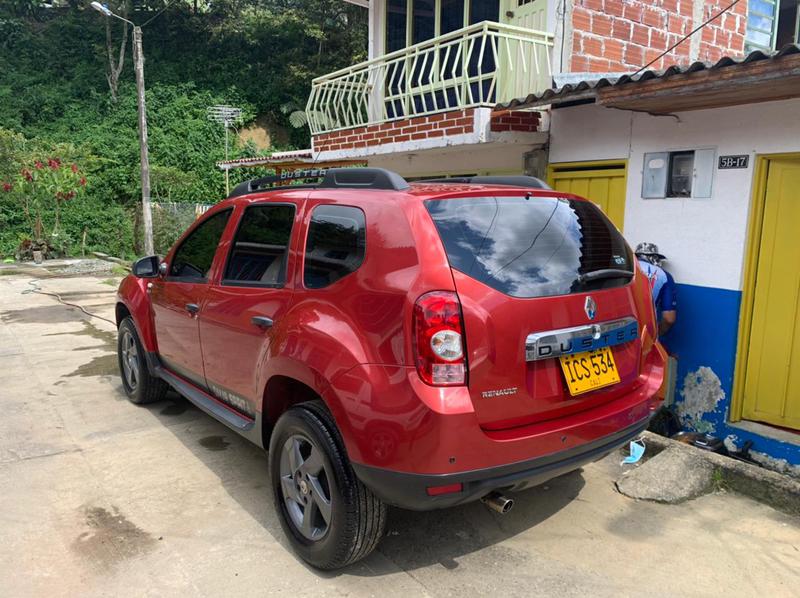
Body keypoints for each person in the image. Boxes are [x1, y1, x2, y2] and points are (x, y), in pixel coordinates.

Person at [635, 242, 677, 336]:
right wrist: (656, 334)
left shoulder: (623, 269)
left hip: (614, 328)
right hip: (645, 332)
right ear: (653, 257)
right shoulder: (664, 275)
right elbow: (669, 319)